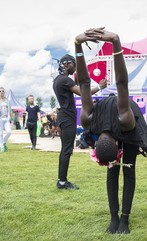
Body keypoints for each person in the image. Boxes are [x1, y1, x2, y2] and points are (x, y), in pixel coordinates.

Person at [76, 27, 147, 234]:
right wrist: (77, 45)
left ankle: (125, 219)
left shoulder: (126, 119)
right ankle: (113, 218)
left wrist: (115, 42)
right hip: (107, 124)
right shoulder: (89, 120)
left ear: (116, 144)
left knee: (128, 170)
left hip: (127, 123)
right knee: (112, 172)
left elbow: (122, 83)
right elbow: (85, 82)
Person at [52, 51, 107, 190]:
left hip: (63, 117)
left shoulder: (58, 80)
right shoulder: (65, 80)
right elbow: (84, 94)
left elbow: (77, 84)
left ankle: (61, 180)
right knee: (67, 150)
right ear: (67, 65)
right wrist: (100, 87)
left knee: (65, 149)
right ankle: (62, 182)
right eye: (74, 65)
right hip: (67, 117)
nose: (75, 68)